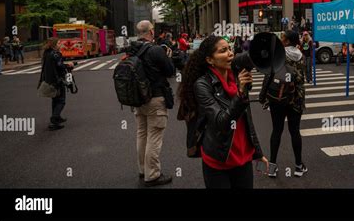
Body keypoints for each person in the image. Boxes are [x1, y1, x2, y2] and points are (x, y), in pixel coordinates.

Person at [177, 35, 267, 188]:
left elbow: (247, 121)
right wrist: (239, 95)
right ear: (210, 60)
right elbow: (221, 122)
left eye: (230, 48)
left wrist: (257, 152)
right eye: (223, 51)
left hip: (243, 157)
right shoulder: (202, 85)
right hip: (219, 161)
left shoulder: (236, 78)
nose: (230, 53)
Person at [128, 21, 175, 187]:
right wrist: (167, 56)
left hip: (138, 98)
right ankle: (152, 175)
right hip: (155, 98)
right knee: (154, 137)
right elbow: (170, 71)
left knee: (142, 134)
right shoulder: (155, 50)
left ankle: (143, 169)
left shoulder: (131, 49)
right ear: (151, 32)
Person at [259, 30, 308, 178]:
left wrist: (263, 96)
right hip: (296, 98)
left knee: (277, 130)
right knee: (295, 131)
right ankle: (299, 166)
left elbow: (269, 76)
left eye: (282, 37)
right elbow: (302, 77)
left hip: (278, 98)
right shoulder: (301, 56)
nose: (280, 39)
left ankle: (272, 167)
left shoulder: (278, 55)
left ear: (286, 41)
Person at [38, 38, 74, 131]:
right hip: (57, 80)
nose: (60, 44)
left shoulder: (47, 53)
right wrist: (69, 65)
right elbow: (60, 66)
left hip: (49, 80)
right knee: (61, 101)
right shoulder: (55, 54)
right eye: (58, 42)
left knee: (55, 100)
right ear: (54, 44)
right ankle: (54, 120)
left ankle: (57, 117)